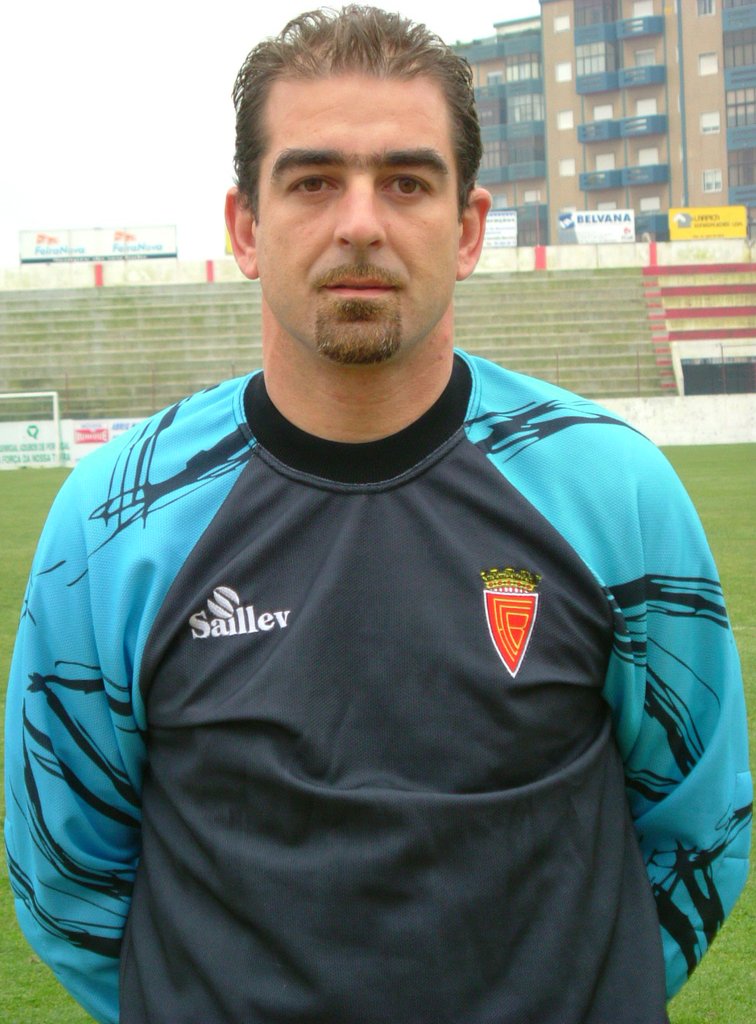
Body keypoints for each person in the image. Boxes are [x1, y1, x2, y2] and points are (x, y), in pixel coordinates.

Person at [4, 7, 751, 1024]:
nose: (360, 221)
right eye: (313, 181)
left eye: (406, 181)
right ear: (245, 228)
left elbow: (698, 827)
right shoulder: (114, 522)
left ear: (469, 228)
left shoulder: (614, 489)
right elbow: (67, 874)